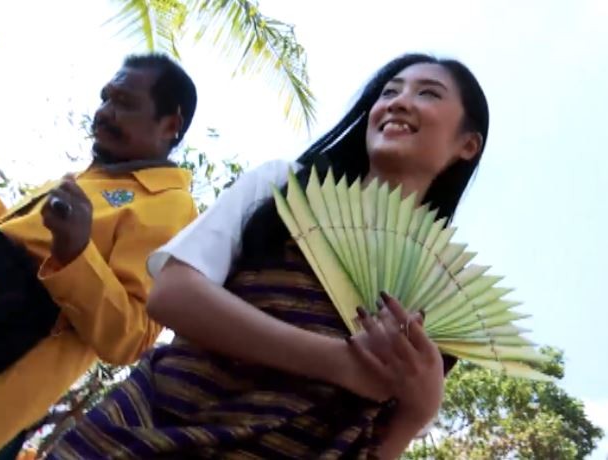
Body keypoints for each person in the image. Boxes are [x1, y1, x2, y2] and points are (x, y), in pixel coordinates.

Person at [49, 52, 489, 459]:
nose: (398, 102)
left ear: (468, 144)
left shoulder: (446, 293)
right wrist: (339, 363)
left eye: (427, 93)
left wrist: (418, 412)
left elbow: (368, 444)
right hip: (148, 431)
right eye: (389, 92)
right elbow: (173, 294)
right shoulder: (285, 186)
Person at [0, 54, 200, 460]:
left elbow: (132, 337)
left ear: (170, 124)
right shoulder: (87, 180)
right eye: (105, 98)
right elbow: (7, 252)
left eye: (124, 102)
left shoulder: (173, 209)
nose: (104, 112)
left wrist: (77, 255)